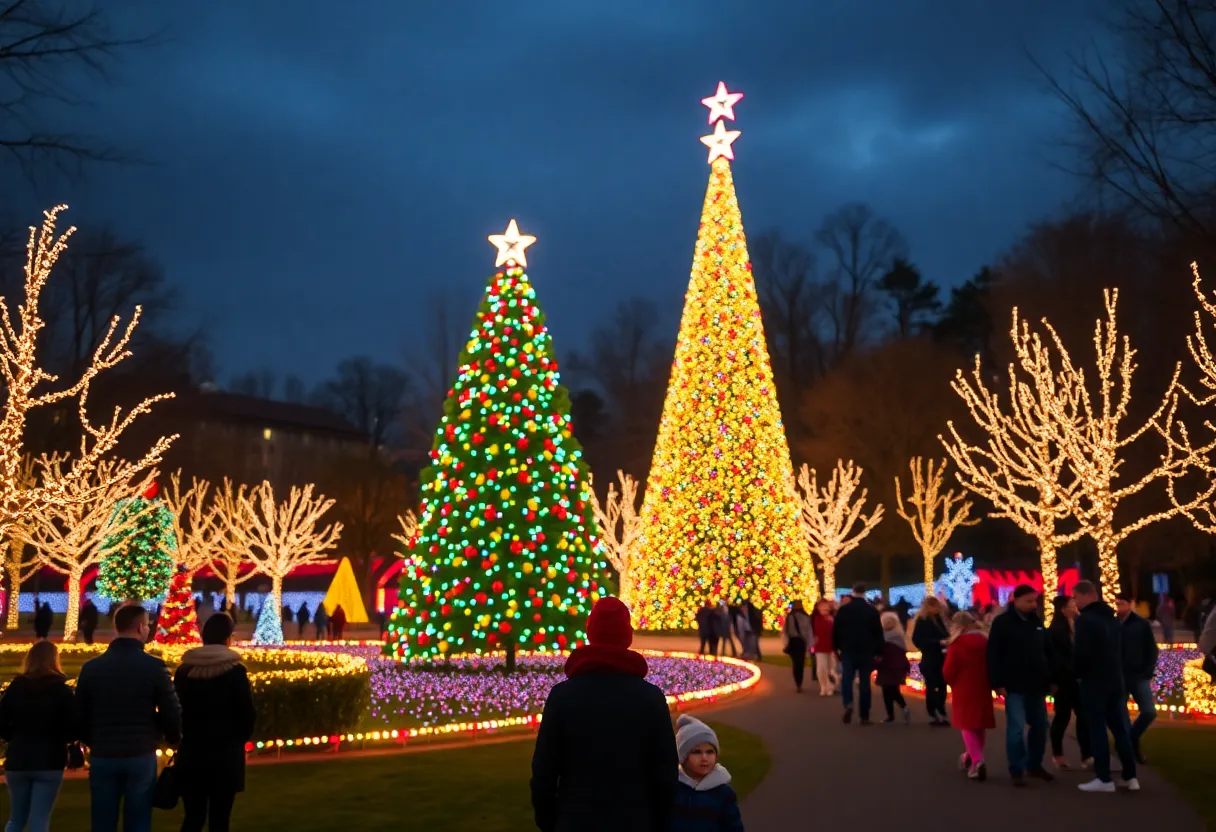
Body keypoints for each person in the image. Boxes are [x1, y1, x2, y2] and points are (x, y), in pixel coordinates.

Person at [530, 597, 677, 831]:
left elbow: (544, 770)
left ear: (590, 632)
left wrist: (549, 820)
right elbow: (665, 773)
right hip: (635, 819)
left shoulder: (563, 696)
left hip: (576, 819)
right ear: (627, 636)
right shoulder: (650, 698)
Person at [76, 603, 183, 832]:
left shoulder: (92, 668)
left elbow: (80, 714)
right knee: (138, 821)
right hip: (140, 752)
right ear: (139, 628)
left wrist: (92, 740)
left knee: (102, 821)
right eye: (147, 625)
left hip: (104, 752)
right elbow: (170, 710)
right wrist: (173, 737)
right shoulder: (154, 667)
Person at [174, 612, 257, 832]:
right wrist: (238, 741)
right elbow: (247, 714)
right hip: (225, 755)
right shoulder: (235, 671)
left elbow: (177, 711)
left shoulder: (184, 671)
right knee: (220, 819)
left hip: (192, 752)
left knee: (192, 817)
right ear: (228, 637)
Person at [0, 641, 77, 831]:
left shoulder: (16, 688)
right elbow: (73, 727)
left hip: (18, 758)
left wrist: (13, 737)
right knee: (39, 819)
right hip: (49, 760)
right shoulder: (62, 691)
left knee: (17, 818)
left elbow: (1, 721)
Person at [1073, 580, 1139, 793]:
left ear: (1086, 595)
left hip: (1094, 681)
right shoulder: (1113, 619)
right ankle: (1130, 776)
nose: (1075, 602)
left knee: (1097, 729)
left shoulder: (1085, 621)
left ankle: (1104, 778)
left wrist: (1077, 674)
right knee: (1120, 729)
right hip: (1115, 679)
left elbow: (1082, 653)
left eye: (1076, 597)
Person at [986, 584, 1054, 786]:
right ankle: (1016, 768)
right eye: (1029, 601)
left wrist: (1051, 679)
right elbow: (993, 654)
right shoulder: (1003, 623)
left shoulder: (1037, 622)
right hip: (1014, 685)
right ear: (1015, 600)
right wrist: (997, 682)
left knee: (1040, 726)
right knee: (1016, 729)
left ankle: (1034, 764)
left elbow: (1047, 651)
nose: (1033, 604)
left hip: (1036, 685)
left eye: (1035, 601)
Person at [943, 612, 995, 782]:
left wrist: (951, 682)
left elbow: (949, 671)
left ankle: (977, 762)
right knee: (979, 725)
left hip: (963, 687)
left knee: (966, 725)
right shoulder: (986, 642)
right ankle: (970, 756)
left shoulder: (956, 644)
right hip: (983, 686)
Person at [670, 715, 744, 832]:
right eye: (696, 752)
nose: (704, 758)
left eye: (710, 752)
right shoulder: (673, 789)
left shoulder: (723, 793)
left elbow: (734, 827)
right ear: (682, 756)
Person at [1047, 595, 1091, 770]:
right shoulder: (1056, 631)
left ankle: (1087, 755)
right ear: (1063, 609)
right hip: (1064, 681)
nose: (1076, 608)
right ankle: (1058, 754)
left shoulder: (1078, 626)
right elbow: (1054, 659)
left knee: (1083, 717)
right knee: (1062, 717)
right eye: (1072, 606)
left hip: (1078, 680)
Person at [1115, 592, 1158, 764]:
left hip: (1139, 675)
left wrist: (1148, 670)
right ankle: (1130, 750)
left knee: (1149, 712)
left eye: (1122, 604)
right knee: (1121, 716)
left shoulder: (1141, 624)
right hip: (1119, 676)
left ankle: (1130, 739)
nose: (1119, 608)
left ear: (1130, 604)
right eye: (1117, 604)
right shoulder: (1112, 624)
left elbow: (1152, 649)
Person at [832, 582, 883, 725]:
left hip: (848, 649)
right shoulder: (871, 610)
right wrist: (878, 651)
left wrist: (836, 648)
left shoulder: (844, 610)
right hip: (866, 650)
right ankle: (864, 715)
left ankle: (848, 702)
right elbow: (878, 632)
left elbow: (835, 630)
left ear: (853, 592)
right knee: (865, 682)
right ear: (864, 593)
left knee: (847, 678)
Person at [912, 596, 951, 726]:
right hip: (930, 657)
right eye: (935, 606)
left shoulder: (939, 620)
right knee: (931, 685)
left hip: (941, 656)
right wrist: (938, 642)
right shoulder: (923, 621)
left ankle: (940, 710)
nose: (937, 609)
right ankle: (934, 712)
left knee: (941, 685)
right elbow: (918, 640)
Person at [875, 611, 910, 723]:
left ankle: (892, 714)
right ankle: (901, 708)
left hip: (885, 666)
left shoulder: (881, 636)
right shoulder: (899, 635)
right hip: (896, 667)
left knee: (887, 691)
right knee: (893, 689)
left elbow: (878, 652)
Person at [780, 600, 812, 693]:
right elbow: (785, 631)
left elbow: (785, 631)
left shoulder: (793, 616)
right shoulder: (801, 616)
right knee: (798, 663)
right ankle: (799, 683)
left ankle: (798, 683)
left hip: (797, 642)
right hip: (797, 642)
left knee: (798, 663)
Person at [810, 599, 836, 696]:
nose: (825, 608)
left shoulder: (832, 618)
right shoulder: (814, 618)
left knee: (831, 668)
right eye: (822, 606)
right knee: (821, 668)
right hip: (819, 646)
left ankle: (830, 686)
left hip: (831, 646)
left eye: (826, 606)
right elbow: (810, 631)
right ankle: (824, 686)